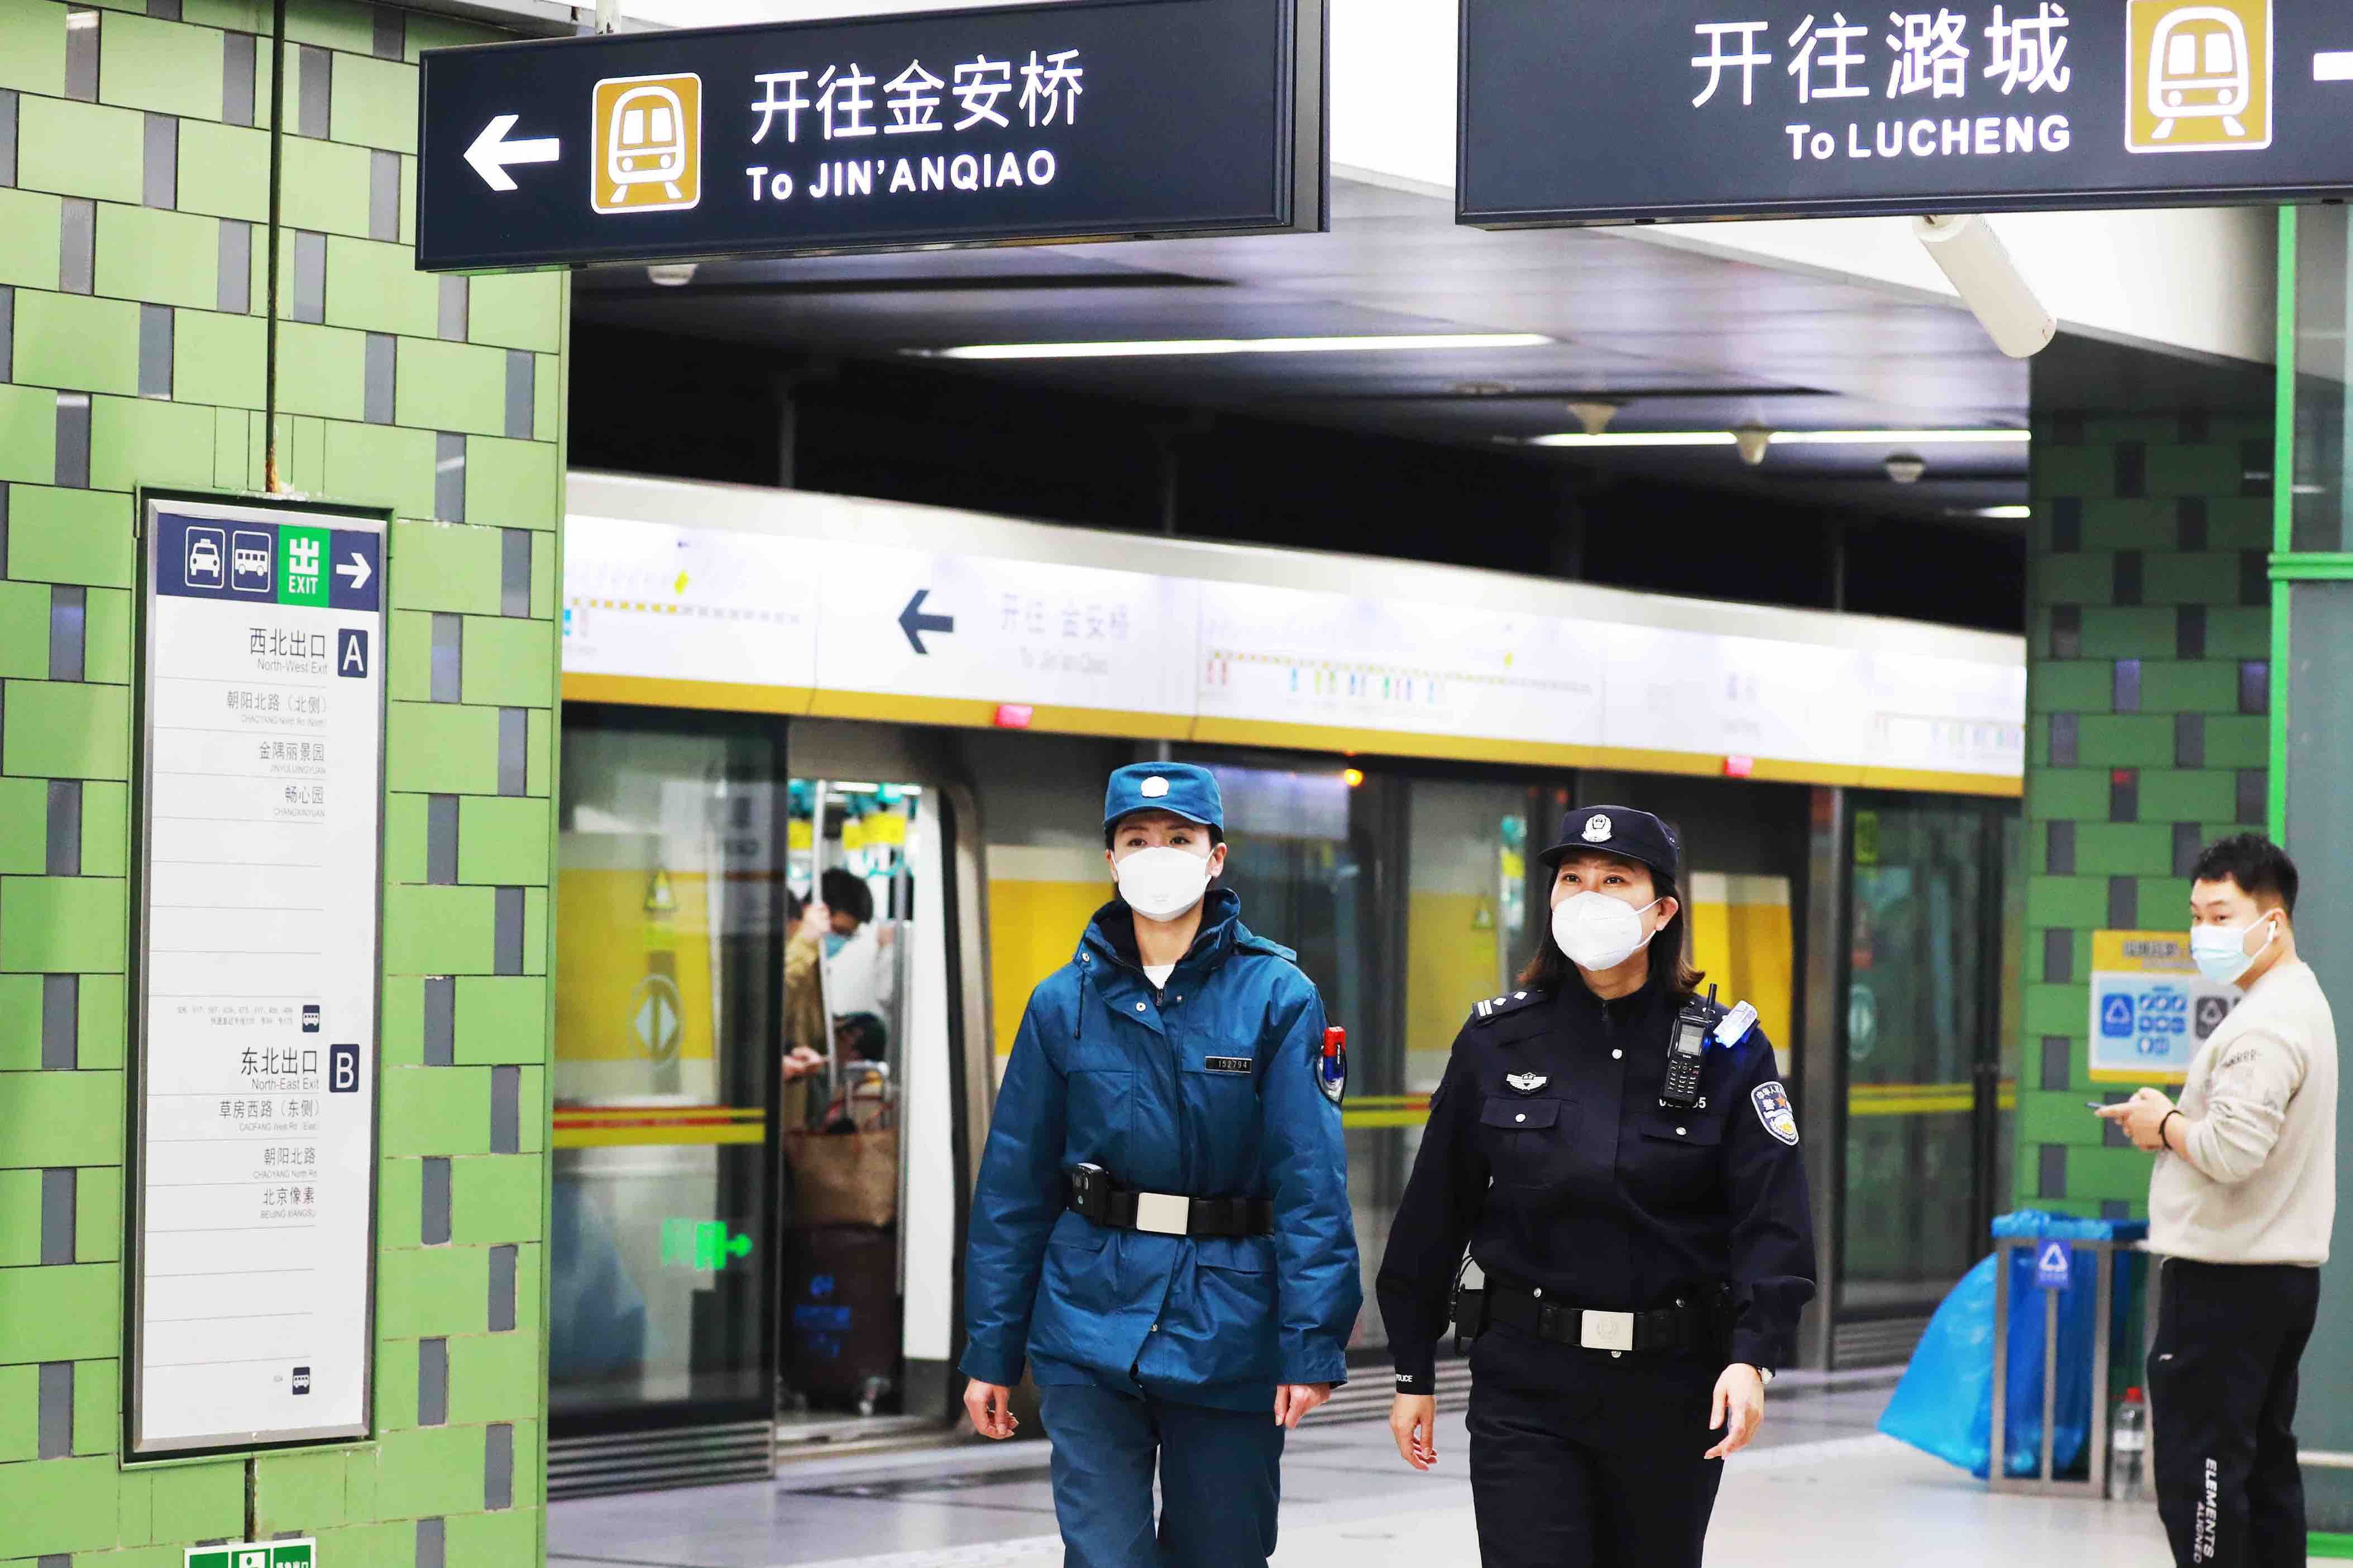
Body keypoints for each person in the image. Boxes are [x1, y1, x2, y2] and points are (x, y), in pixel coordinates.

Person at [1376, 804, 1816, 1568]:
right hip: (1526, 1382)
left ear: (1662, 910)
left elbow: (1771, 1216)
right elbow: (1433, 1211)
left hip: (1671, 1386)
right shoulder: (1496, 1040)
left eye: (1615, 881)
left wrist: (1753, 1356)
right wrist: (1412, 1365)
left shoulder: (1727, 1050)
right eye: (1572, 879)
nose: (1589, 896)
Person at [959, 762, 1361, 1568]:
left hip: (1229, 1330)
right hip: (1086, 1320)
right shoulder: (1061, 1004)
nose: (1157, 854)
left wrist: (1310, 1346)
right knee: (1104, 1556)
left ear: (1216, 857)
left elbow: (1310, 1183)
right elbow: (1013, 1190)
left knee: (1222, 1552)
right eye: (1137, 839)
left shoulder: (1277, 996)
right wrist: (990, 1353)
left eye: (1178, 838)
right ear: (1111, 860)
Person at [2097, 835, 2337, 1568]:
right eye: (2195, 916)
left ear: (2272, 919)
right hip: (2276, 1279)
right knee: (2262, 1471)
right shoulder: (2298, 1000)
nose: (2203, 932)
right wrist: (2173, 1124)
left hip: (2226, 1284)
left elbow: (2232, 1152)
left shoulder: (2265, 1023)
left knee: (2201, 1475)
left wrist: (2163, 1124)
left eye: (2221, 916)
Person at [819, 865, 896, 1023]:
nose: (840, 941)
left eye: (847, 935)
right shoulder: (791, 959)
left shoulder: (815, 966)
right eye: (838, 930)